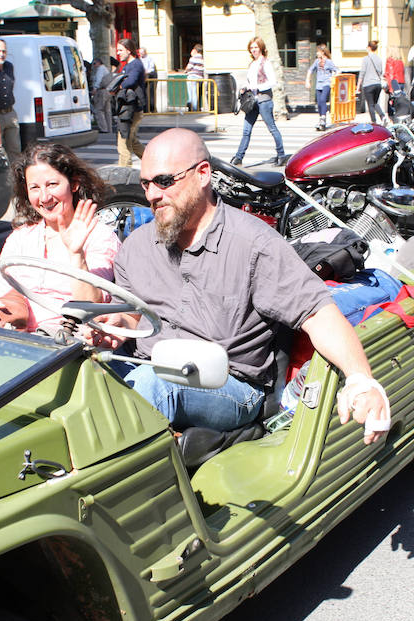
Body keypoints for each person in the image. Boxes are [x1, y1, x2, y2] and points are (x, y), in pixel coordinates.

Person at [96, 129, 390, 444]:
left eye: (164, 181)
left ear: (202, 174)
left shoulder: (253, 244)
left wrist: (361, 382)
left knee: (149, 387)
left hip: (229, 386)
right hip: (147, 366)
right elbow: (131, 317)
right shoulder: (138, 245)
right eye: (146, 183)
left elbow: (319, 314)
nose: (153, 194)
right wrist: (115, 325)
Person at [0, 143, 120, 333]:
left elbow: (91, 306)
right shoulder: (21, 237)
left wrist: (76, 253)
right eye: (35, 188)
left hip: (66, 342)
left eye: (52, 184)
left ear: (74, 183)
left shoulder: (100, 236)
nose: (45, 197)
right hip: (13, 336)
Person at [231, 37, 287, 167]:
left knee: (272, 128)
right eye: (251, 48)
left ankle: (281, 155)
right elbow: (250, 82)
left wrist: (257, 87)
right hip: (252, 101)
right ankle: (239, 157)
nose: (253, 50)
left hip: (264, 100)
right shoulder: (252, 64)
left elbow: (272, 81)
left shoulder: (265, 63)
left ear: (261, 48)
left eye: (255, 47)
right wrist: (246, 87)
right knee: (246, 130)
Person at [113, 38, 146, 167]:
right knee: (132, 141)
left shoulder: (135, 65)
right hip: (129, 108)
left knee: (123, 143)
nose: (118, 53)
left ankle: (124, 172)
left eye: (120, 50)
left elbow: (131, 81)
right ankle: (153, 162)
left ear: (129, 50)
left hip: (132, 109)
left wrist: (117, 87)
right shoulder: (128, 65)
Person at [305, 44, 339, 131]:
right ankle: (321, 119)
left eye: (318, 52)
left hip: (326, 83)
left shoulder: (329, 62)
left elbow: (337, 70)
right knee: (319, 102)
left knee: (323, 99)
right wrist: (307, 80)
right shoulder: (317, 62)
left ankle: (323, 119)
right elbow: (310, 70)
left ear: (322, 52)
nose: (317, 53)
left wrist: (333, 77)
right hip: (318, 84)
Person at [358, 40, 386, 125]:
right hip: (377, 84)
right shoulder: (379, 59)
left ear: (369, 48)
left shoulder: (366, 59)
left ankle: (374, 121)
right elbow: (381, 72)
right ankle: (383, 116)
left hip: (368, 84)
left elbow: (362, 73)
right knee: (375, 102)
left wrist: (358, 86)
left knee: (370, 104)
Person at [90, 58, 113, 133]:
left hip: (101, 91)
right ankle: (109, 128)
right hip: (107, 91)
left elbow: (98, 79)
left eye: (94, 64)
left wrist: (95, 88)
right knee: (107, 111)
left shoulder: (100, 69)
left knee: (98, 110)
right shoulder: (105, 69)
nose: (93, 66)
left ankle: (103, 128)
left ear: (98, 63)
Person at [184, 44, 205, 111]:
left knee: (192, 92)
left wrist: (185, 71)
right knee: (196, 92)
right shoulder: (202, 58)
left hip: (192, 77)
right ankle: (194, 107)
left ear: (195, 50)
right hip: (200, 77)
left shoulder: (193, 58)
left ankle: (194, 108)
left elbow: (188, 68)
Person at [138, 47, 158, 112]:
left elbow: (151, 68)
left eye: (142, 53)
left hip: (150, 77)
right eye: (140, 53)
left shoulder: (149, 58)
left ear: (145, 52)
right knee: (144, 93)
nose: (141, 54)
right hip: (143, 77)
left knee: (151, 93)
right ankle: (145, 109)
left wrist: (146, 72)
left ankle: (152, 108)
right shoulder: (139, 59)